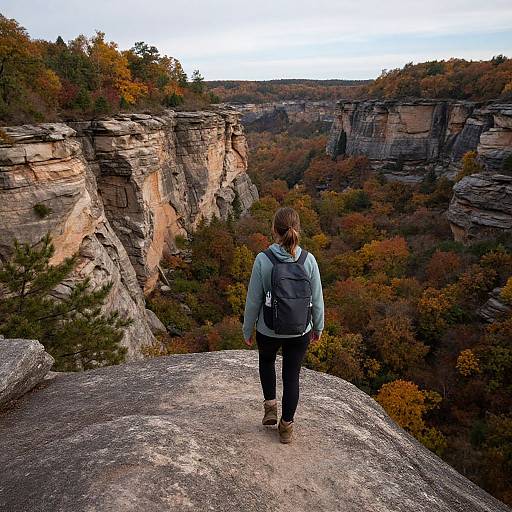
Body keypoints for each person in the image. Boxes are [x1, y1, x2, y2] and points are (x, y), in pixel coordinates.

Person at [243, 206, 324, 444]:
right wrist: (318, 327)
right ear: (297, 229)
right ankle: (286, 427)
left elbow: (253, 300)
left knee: (266, 361)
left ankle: (270, 407)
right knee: (292, 377)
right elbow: (317, 299)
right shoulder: (309, 260)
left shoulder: (263, 259)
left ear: (274, 230)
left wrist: (248, 329)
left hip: (269, 328)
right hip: (300, 329)